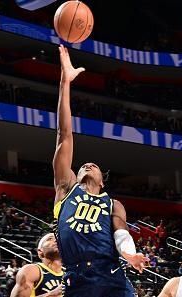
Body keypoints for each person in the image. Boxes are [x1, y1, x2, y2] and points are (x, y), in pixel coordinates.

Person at [52, 45, 148, 297]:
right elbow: (64, 135)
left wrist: (129, 254)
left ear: (102, 182)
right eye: (84, 164)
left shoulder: (112, 204)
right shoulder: (65, 188)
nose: (87, 164)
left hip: (110, 273)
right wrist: (65, 81)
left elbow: (121, 233)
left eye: (93, 166)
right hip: (76, 276)